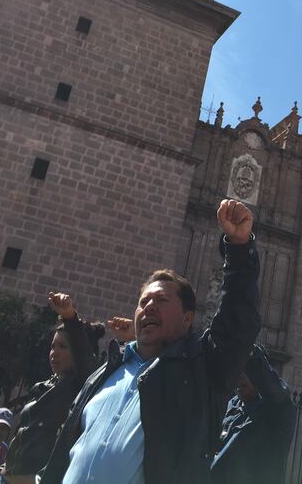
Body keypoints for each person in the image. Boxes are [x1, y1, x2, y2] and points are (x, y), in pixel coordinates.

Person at [38, 199, 261, 484]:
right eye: (144, 301)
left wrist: (239, 247)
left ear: (187, 318)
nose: (149, 307)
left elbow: (238, 321)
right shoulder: (104, 373)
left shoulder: (200, 375)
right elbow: (65, 451)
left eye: (162, 300)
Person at [2, 292, 100, 483]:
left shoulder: (80, 384)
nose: (54, 353)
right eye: (53, 346)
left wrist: (70, 318)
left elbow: (84, 357)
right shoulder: (40, 388)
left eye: (63, 347)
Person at [210, 345, 296, 484]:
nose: (240, 374)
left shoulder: (276, 412)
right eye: (237, 367)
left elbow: (276, 393)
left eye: (247, 369)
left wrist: (248, 346)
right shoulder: (230, 406)